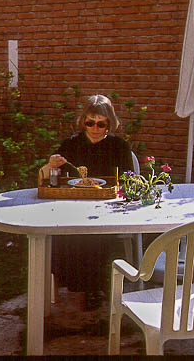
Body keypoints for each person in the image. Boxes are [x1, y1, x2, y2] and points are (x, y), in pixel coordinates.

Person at [40, 94, 134, 309]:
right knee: (65, 236)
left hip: (105, 205)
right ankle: (72, 285)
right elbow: (49, 177)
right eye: (90, 122)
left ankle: (94, 289)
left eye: (101, 124)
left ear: (109, 123)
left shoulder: (118, 146)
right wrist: (50, 165)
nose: (95, 128)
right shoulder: (71, 144)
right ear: (84, 122)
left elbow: (128, 180)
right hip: (72, 205)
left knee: (96, 238)